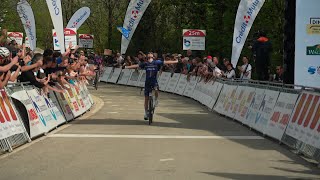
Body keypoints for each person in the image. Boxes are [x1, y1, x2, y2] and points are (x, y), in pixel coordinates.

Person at [125, 52, 178, 120]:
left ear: (153, 57)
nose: (149, 56)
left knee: (156, 89)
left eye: (151, 55)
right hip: (147, 82)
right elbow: (136, 66)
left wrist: (175, 61)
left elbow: (166, 62)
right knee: (146, 99)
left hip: (154, 81)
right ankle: (146, 113)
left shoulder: (157, 62)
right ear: (147, 57)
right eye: (148, 56)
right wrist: (127, 67)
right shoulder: (145, 63)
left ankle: (156, 100)